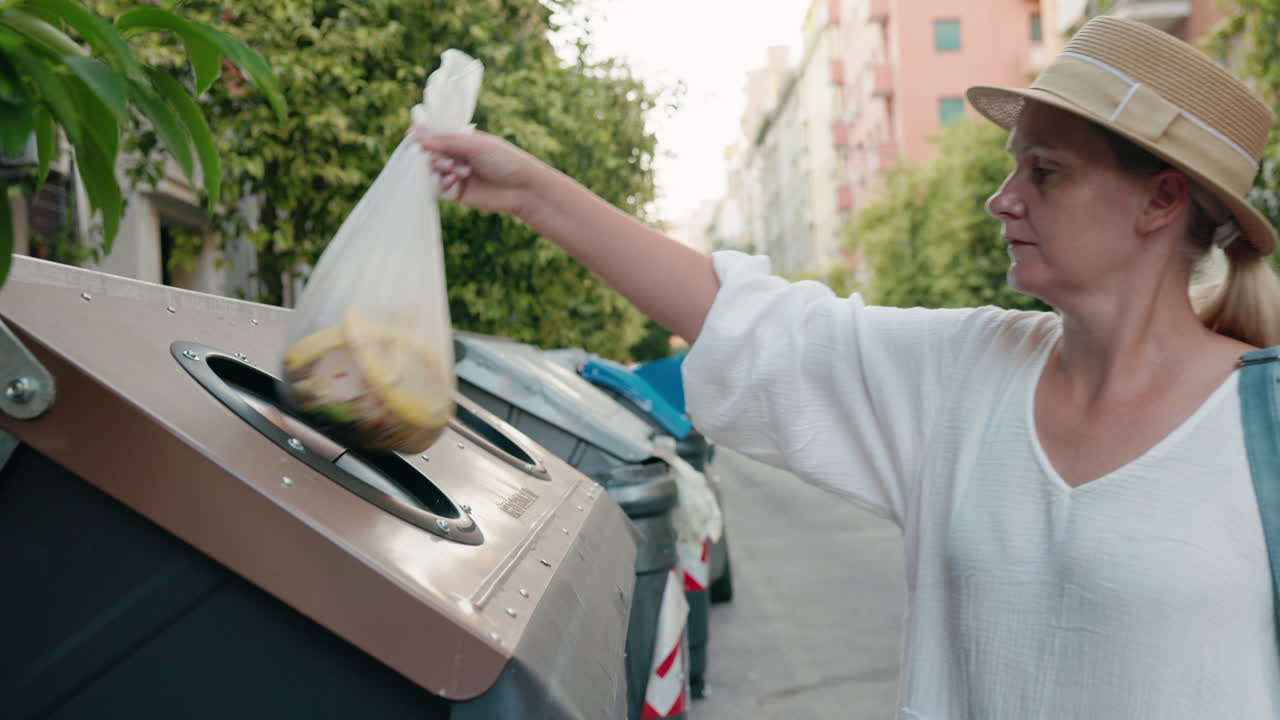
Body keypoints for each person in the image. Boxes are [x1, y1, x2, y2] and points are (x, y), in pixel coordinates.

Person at [415, 15, 1280, 719]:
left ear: (1163, 199)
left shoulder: (1263, 427)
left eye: (1044, 171)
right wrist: (527, 188)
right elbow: (745, 321)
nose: (1001, 197)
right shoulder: (968, 375)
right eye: (1012, 163)